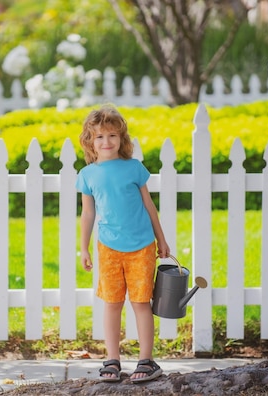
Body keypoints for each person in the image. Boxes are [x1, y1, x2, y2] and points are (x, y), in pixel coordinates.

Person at [76, 104, 170, 383]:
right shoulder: (87, 175)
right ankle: (112, 360)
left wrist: (161, 239)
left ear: (122, 139)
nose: (107, 142)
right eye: (100, 137)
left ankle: (147, 360)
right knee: (113, 303)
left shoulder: (134, 168)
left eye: (113, 136)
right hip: (108, 248)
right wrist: (83, 247)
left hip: (142, 246)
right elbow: (88, 213)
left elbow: (149, 206)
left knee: (141, 302)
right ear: (90, 141)